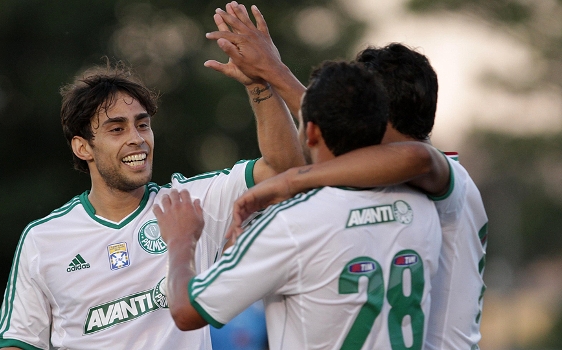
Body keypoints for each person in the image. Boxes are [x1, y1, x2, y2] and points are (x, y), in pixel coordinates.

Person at [208, 3, 489, 349]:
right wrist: (266, 78)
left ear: (380, 119)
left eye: (360, 105)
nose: (353, 116)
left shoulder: (445, 177)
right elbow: (333, 131)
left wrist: (292, 178)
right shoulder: (396, 182)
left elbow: (411, 155)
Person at [0, 58, 305, 349]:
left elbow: (282, 168)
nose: (137, 138)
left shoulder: (192, 202)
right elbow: (19, 342)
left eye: (142, 125)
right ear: (83, 147)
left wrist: (258, 85)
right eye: (117, 129)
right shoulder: (43, 239)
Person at [156, 60, 443, 349]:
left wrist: (182, 241)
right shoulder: (422, 204)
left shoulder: (291, 224)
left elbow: (186, 311)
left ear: (311, 132)